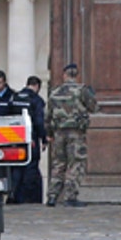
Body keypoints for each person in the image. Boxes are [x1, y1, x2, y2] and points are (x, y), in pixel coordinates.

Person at [46, 63, 99, 207]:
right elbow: (94, 108)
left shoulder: (55, 91)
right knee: (75, 163)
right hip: (76, 133)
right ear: (76, 75)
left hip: (58, 133)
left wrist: (48, 134)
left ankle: (52, 196)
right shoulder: (82, 90)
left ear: (64, 75)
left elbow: (47, 115)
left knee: (58, 164)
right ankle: (70, 196)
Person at [9, 76, 47, 203]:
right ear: (37, 86)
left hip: (14, 137)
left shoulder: (14, 97)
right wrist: (43, 138)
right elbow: (39, 121)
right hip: (31, 139)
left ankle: (13, 194)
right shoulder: (36, 100)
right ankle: (27, 198)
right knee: (30, 167)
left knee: (16, 168)